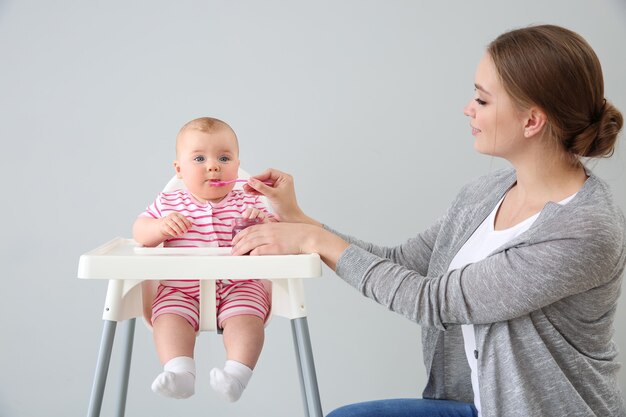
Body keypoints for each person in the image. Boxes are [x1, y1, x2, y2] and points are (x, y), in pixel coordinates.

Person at [231, 25, 626, 417]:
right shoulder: (485, 193)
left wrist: (313, 242)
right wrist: (302, 222)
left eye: (482, 100)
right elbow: (404, 262)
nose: (468, 108)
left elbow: (432, 300)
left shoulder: (584, 229)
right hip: (478, 406)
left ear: (531, 122)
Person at [133, 117, 274, 402]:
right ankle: (180, 373)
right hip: (181, 290)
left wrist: (262, 223)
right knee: (168, 320)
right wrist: (159, 228)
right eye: (199, 158)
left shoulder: (249, 202)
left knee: (247, 321)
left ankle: (236, 375)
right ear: (179, 169)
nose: (213, 165)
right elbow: (139, 231)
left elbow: (278, 237)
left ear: (237, 165)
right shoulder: (169, 203)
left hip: (240, 286)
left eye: (224, 157)